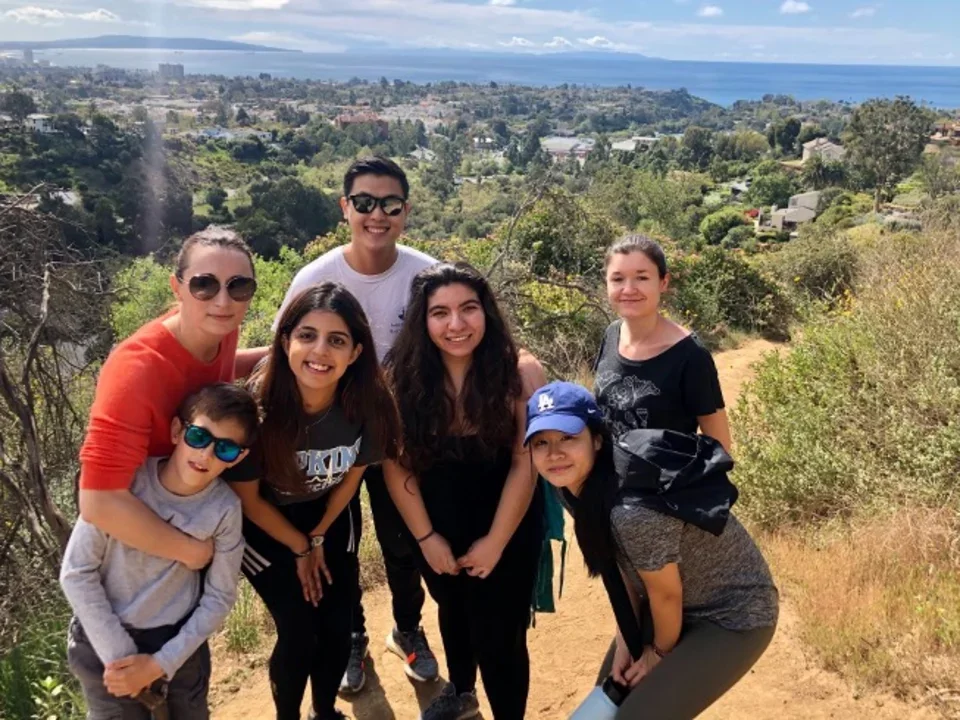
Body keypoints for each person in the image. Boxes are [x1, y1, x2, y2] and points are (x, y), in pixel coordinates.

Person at [276, 156, 440, 692]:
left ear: (405, 211)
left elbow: (464, 335)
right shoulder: (317, 277)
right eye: (364, 202)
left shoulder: (424, 273)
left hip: (403, 438)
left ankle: (409, 629)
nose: (377, 214)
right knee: (340, 545)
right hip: (331, 440)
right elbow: (285, 353)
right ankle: (353, 642)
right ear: (345, 207)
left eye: (389, 204)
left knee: (402, 540)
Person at [525, 381, 779, 718]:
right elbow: (617, 567)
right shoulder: (569, 485)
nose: (554, 454)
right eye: (541, 443)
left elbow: (666, 595)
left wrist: (656, 654)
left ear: (597, 440)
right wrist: (625, 640)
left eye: (568, 438)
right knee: (606, 704)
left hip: (732, 613)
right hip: (675, 602)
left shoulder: (632, 511)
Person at [224, 283, 402, 720]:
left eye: (336, 340)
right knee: (300, 630)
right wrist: (301, 547)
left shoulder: (369, 404)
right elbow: (247, 498)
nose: (319, 351)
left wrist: (320, 535)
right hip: (264, 522)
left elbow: (352, 478)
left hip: (330, 512)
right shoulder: (257, 410)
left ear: (356, 352)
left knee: (338, 625)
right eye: (307, 335)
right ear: (286, 341)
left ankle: (325, 713)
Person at [382, 262, 546, 720]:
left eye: (468, 308)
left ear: (486, 313)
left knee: (502, 633)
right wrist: (426, 538)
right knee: (452, 608)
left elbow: (524, 461)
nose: (456, 324)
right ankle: (461, 690)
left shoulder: (516, 373)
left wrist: (495, 543)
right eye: (440, 312)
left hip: (507, 521)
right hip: (434, 521)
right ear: (422, 319)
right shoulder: (401, 377)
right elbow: (395, 466)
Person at [61, 382, 257, 719]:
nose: (206, 455)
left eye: (224, 449)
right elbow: (76, 572)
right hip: (103, 645)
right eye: (199, 437)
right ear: (177, 430)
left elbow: (219, 597)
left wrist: (158, 664)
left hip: (177, 647)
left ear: (238, 457)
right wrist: (123, 661)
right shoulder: (124, 485)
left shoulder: (224, 509)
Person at [78, 226, 266, 573]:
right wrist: (191, 552)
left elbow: (209, 369)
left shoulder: (220, 328)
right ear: (177, 287)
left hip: (191, 502)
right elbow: (99, 501)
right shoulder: (135, 369)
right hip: (142, 531)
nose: (223, 300)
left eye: (238, 286)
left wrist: (282, 357)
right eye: (204, 285)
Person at [594, 234, 731, 449]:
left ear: (663, 282)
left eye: (642, 277)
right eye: (618, 279)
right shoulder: (611, 335)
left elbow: (720, 445)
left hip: (666, 482)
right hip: (607, 480)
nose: (628, 289)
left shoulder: (690, 356)